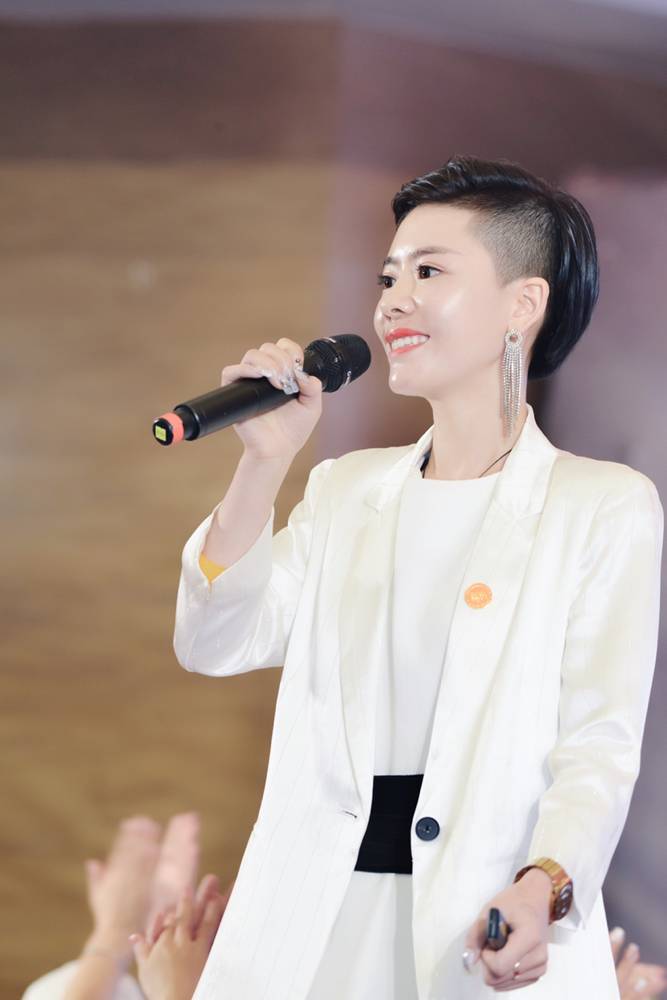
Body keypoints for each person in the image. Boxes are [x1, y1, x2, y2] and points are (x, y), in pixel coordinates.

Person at [172, 155, 664, 999]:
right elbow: (214, 642)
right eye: (387, 276)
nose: (392, 301)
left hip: (486, 923)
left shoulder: (601, 504)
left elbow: (598, 745)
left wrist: (542, 889)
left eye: (429, 272)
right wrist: (264, 463)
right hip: (315, 929)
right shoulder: (346, 490)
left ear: (522, 303)